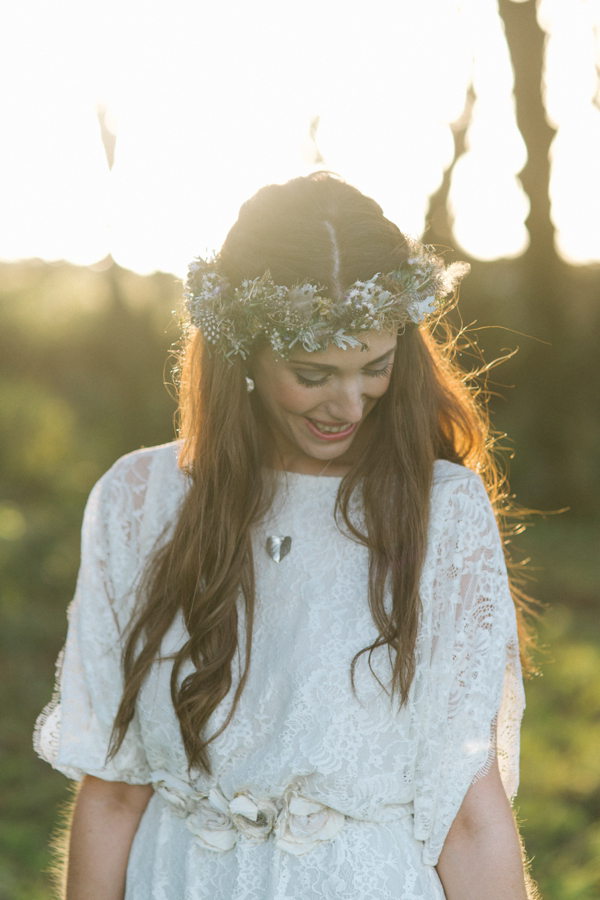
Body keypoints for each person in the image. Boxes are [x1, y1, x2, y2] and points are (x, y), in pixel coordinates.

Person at [35, 172, 537, 899]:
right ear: (242, 353)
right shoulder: (137, 501)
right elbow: (114, 791)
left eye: (376, 368)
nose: (349, 403)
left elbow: (469, 811)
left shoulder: (441, 510)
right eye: (313, 373)